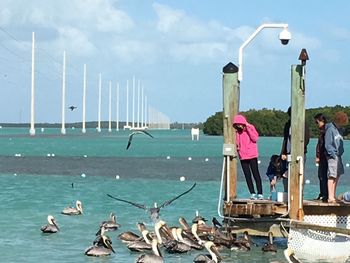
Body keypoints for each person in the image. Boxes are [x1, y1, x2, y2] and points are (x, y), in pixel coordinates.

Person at [232, 114, 263, 200]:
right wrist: (238, 150)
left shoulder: (251, 127)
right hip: (243, 156)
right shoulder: (237, 132)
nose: (239, 126)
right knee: (247, 175)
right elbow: (237, 143)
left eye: (240, 124)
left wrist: (248, 128)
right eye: (237, 124)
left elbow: (255, 138)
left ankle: (260, 193)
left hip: (252, 155)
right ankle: (252, 193)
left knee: (256, 174)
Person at [280, 106, 310, 192]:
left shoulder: (303, 124)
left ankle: (299, 193)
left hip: (300, 153)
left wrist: (300, 149)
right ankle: (287, 192)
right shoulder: (288, 124)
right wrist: (283, 152)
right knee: (286, 173)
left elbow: (306, 138)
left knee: (299, 172)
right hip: (288, 153)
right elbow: (285, 139)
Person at [324, 111, 349, 203]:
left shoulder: (340, 130)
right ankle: (330, 196)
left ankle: (333, 194)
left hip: (339, 156)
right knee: (332, 175)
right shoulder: (330, 129)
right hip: (332, 155)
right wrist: (333, 155)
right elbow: (328, 144)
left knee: (337, 175)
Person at [314, 113, 328, 202]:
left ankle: (324, 194)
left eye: (317, 122)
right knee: (321, 176)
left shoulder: (324, 131)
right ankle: (323, 193)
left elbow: (321, 145)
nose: (317, 124)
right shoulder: (323, 131)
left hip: (324, 157)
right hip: (323, 156)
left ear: (321, 121)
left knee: (322, 175)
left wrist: (318, 156)